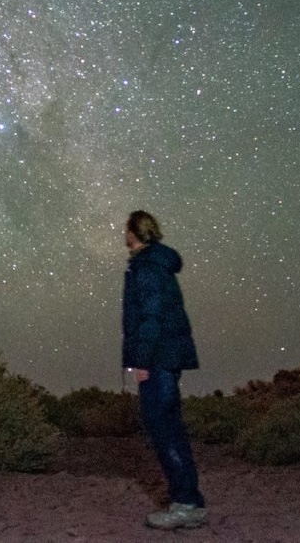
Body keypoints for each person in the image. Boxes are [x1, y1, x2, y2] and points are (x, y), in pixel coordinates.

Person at [122, 209, 207, 531]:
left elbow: (151, 317)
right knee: (168, 428)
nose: (123, 234)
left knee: (164, 430)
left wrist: (141, 361)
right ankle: (188, 501)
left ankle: (187, 504)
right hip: (165, 358)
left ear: (135, 232)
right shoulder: (156, 264)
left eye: (126, 229)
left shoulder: (149, 267)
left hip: (158, 360)